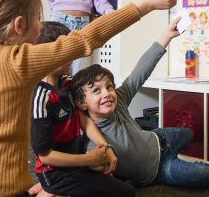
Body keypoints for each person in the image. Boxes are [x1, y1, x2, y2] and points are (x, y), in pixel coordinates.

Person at [0, 0, 184, 196]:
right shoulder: (18, 61)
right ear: (19, 25)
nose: (39, 28)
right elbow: (87, 39)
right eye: (37, 20)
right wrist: (147, 4)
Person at [70, 18, 209, 189]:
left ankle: (180, 142)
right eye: (97, 91)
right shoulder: (92, 141)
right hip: (159, 171)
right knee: (205, 174)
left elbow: (140, 71)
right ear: (81, 103)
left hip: (159, 139)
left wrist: (166, 36)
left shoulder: (119, 101)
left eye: (109, 87)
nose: (107, 94)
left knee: (189, 132)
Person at [30, 22, 134, 197]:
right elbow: (45, 156)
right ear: (47, 55)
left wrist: (105, 147)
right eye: (65, 50)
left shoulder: (67, 82)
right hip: (56, 174)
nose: (72, 55)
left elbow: (83, 119)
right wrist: (87, 159)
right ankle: (47, 189)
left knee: (124, 185)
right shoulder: (41, 98)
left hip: (77, 166)